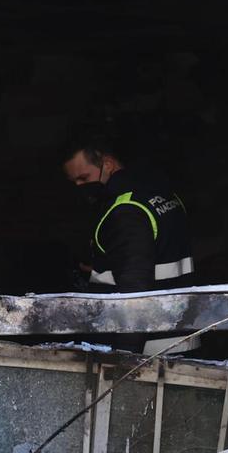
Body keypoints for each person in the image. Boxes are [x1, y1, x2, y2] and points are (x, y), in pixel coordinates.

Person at [61, 134, 199, 353]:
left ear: (108, 164)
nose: (80, 187)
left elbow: (134, 292)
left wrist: (124, 359)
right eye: (74, 182)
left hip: (151, 353)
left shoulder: (125, 211)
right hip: (181, 337)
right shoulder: (161, 193)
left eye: (84, 178)